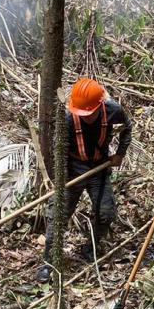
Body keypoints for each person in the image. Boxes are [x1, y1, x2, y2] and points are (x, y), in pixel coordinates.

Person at [37, 78, 132, 283]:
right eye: (82, 114)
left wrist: (120, 154)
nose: (86, 118)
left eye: (90, 113)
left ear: (100, 105)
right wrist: (61, 180)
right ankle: (49, 262)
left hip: (99, 168)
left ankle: (91, 248)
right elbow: (58, 152)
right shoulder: (68, 120)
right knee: (59, 215)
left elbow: (127, 128)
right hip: (73, 170)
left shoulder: (113, 110)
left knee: (106, 213)